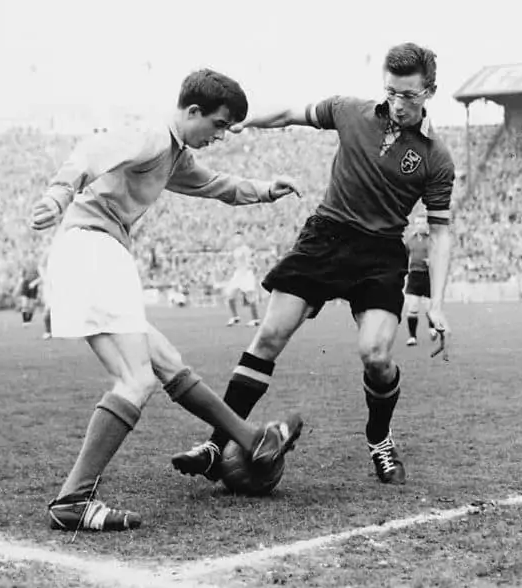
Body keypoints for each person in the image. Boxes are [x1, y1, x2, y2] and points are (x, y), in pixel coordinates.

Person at [30, 69, 304, 532]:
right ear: (193, 111)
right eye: (218, 125)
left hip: (95, 252)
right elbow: (94, 151)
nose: (221, 135)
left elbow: (214, 183)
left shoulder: (175, 153)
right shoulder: (152, 134)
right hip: (92, 249)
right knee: (135, 379)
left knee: (166, 362)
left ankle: (251, 438)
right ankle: (72, 500)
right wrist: (60, 191)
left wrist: (263, 191)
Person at [172, 43, 454, 485]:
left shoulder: (436, 158)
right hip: (326, 237)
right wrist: (244, 121)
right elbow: (289, 114)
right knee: (268, 336)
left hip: (379, 253)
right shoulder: (349, 110)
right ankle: (214, 444)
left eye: (410, 96)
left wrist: (437, 302)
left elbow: (440, 233)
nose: (398, 104)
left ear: (430, 93)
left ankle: (379, 438)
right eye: (392, 92)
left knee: (376, 356)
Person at [404, 215, 438, 347]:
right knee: (412, 307)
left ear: (426, 224)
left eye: (422, 223)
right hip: (414, 275)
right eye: (417, 223)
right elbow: (404, 256)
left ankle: (432, 328)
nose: (420, 225)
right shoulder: (410, 241)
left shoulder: (432, 240)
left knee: (429, 307)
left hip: (428, 276)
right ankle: (412, 337)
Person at [224, 231, 261, 326]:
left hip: (246, 274)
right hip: (238, 274)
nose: (237, 240)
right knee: (230, 295)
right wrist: (229, 265)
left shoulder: (245, 249)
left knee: (250, 297)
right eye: (235, 238)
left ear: (242, 239)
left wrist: (251, 266)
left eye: (239, 238)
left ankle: (255, 319)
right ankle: (235, 317)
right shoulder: (235, 250)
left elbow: (250, 260)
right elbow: (232, 262)